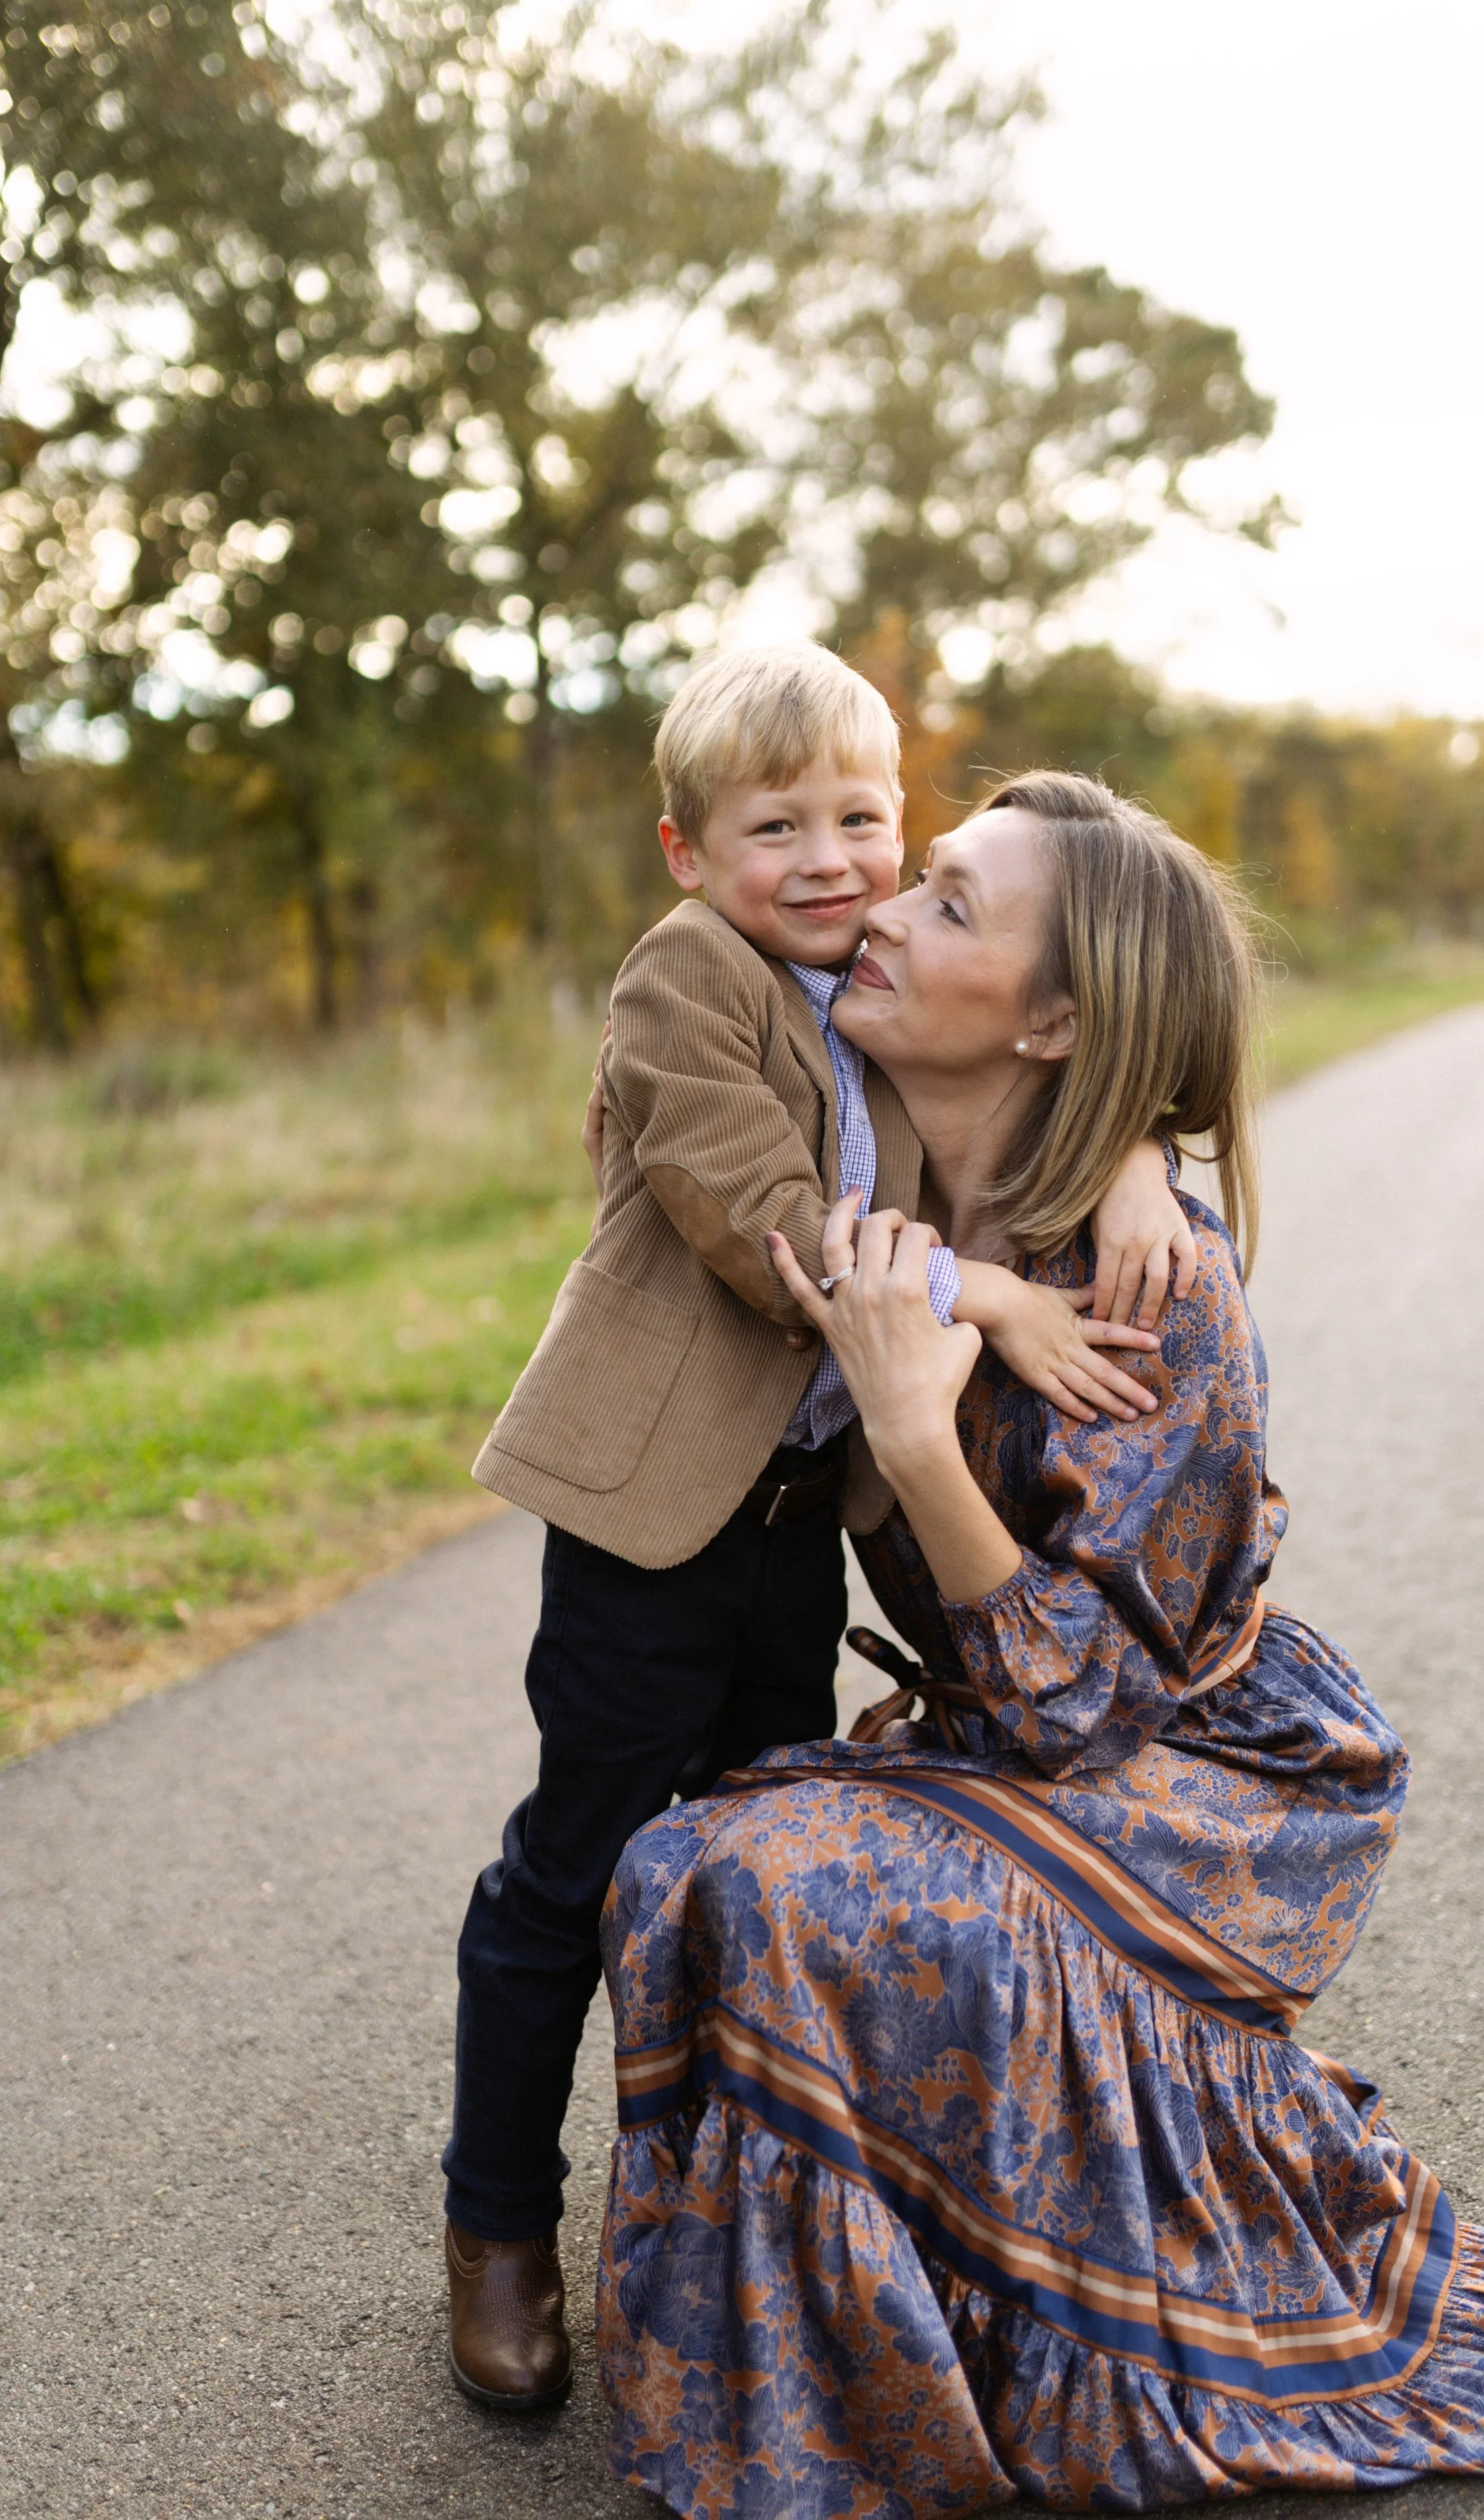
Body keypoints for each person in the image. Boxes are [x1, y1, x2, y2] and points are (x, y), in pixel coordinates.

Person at [597, 772, 1484, 2514]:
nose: (876, 907)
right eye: (918, 880)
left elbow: (1079, 1708)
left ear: (1050, 1019)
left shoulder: (1153, 1295)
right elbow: (703, 1064)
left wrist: (914, 1435)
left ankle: (947, 2365)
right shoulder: (883, 1154)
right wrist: (1103, 1151)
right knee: (677, 1866)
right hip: (1033, 1721)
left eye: (946, 903)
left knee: (774, 1881)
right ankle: (810, 2362)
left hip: (1196, 1773)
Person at [442, 655, 1198, 2410]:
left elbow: (1045, 1042)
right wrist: (990, 1294)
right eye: (770, 825)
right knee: (583, 1857)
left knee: (760, 1868)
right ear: (687, 850)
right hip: (651, 1517)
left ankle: (715, 2207)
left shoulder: (875, 977)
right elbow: (773, 1231)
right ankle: (492, 2220)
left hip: (801, 1516)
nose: (826, 856)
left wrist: (1145, 1154)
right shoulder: (684, 977)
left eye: (860, 817)